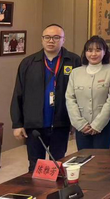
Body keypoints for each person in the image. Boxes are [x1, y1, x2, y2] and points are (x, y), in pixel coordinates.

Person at [10, 24, 81, 172]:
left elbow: (80, 94)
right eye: (47, 37)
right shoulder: (28, 63)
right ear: (42, 39)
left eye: (56, 37)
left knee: (57, 164)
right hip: (34, 125)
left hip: (61, 123)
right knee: (35, 166)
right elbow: (18, 94)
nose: (51, 41)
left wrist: (76, 121)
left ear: (63, 40)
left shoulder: (74, 61)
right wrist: (17, 123)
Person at [66, 36, 110, 149]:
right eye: (89, 50)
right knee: (83, 157)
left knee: (101, 158)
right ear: (85, 52)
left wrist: (97, 125)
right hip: (81, 126)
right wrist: (79, 124)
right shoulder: (75, 73)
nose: (93, 54)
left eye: (98, 50)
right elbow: (70, 99)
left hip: (103, 125)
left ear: (104, 52)